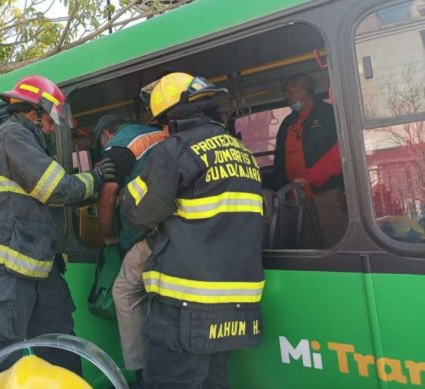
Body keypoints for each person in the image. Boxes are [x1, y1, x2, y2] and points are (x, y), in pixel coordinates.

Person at [0, 75, 116, 385]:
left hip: (39, 271)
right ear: (35, 111)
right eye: (51, 119)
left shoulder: (28, 142)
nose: (54, 127)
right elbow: (56, 188)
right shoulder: (11, 137)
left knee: (60, 346)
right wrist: (95, 179)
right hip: (3, 275)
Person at [121, 72, 265, 388]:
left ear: (170, 120)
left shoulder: (175, 151)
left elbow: (137, 213)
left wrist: (133, 181)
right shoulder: (243, 154)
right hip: (234, 307)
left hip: (185, 308)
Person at [93, 114, 167, 384]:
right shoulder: (157, 135)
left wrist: (109, 234)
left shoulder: (117, 147)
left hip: (149, 235)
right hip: (179, 230)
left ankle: (140, 373)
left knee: (123, 292)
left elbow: (107, 197)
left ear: (106, 135)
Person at [273, 73, 347, 248]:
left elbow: (340, 153)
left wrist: (311, 177)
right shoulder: (287, 123)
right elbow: (279, 161)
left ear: (304, 91)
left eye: (289, 92)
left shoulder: (328, 115)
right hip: (296, 197)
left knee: (334, 242)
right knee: (306, 245)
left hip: (326, 193)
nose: (286, 97)